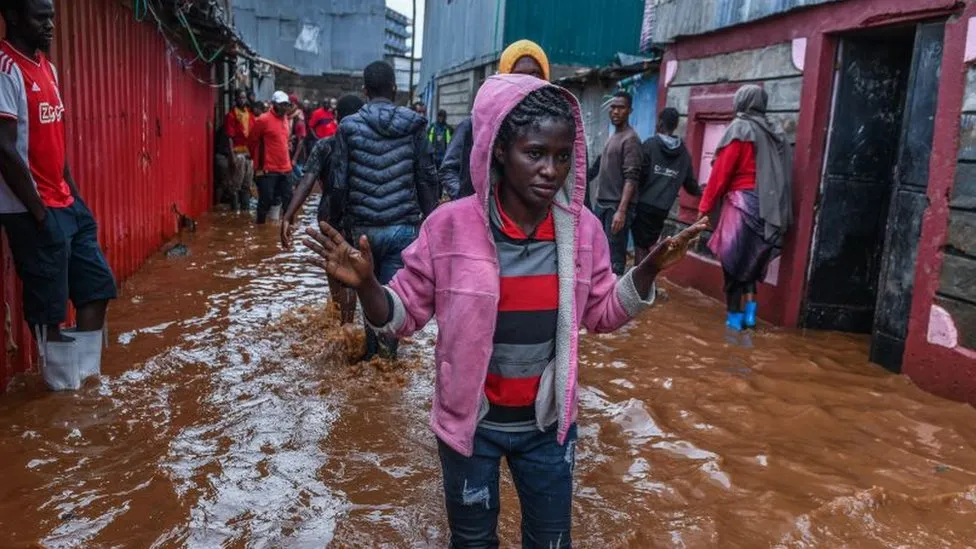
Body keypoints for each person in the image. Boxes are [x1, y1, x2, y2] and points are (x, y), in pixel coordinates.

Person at [304, 74, 707, 546]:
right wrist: (371, 284)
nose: (550, 171)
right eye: (534, 153)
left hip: (548, 428)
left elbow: (600, 313)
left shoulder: (583, 232)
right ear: (498, 149)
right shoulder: (448, 228)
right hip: (469, 429)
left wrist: (647, 272)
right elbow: (402, 316)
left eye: (561, 157)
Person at [0, 0, 117, 391]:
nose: (50, 25)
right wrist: (38, 211)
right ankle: (61, 395)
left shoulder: (47, 67)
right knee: (48, 310)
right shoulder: (5, 68)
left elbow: (55, 141)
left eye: (52, 17)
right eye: (41, 17)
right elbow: (3, 148)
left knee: (97, 288)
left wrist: (77, 199)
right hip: (31, 209)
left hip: (67, 203)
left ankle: (85, 384)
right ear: (13, 16)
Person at [329, 60, 439, 360]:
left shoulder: (348, 127)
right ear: (395, 89)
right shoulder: (415, 124)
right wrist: (433, 224)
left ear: (365, 91)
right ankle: (386, 362)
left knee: (368, 290)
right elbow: (427, 177)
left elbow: (338, 183)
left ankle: (369, 359)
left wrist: (335, 225)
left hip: (361, 229)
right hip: (403, 228)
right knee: (393, 296)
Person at [698, 85, 793, 331]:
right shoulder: (774, 133)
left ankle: (734, 322)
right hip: (768, 208)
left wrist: (705, 206)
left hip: (741, 206)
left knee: (732, 264)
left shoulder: (740, 129)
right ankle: (751, 316)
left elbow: (721, 174)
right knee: (751, 263)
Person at [281, 94, 364, 324]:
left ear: (336, 117)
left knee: (334, 267)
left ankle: (341, 322)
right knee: (354, 271)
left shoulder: (325, 145)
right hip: (360, 217)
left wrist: (289, 215)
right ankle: (348, 326)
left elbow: (307, 182)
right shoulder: (369, 147)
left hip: (329, 217)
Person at [440, 39, 550, 200]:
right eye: (518, 75)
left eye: (535, 75)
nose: (528, 82)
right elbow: (448, 169)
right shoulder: (476, 125)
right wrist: (467, 202)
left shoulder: (560, 128)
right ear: (505, 78)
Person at [634, 107, 699, 265]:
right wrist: (704, 191)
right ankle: (646, 283)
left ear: (660, 123)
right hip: (662, 209)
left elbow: (639, 175)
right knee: (648, 246)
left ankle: (640, 285)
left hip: (644, 205)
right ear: (675, 125)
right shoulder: (683, 153)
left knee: (640, 247)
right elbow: (690, 185)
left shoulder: (650, 144)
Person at [590, 90, 642, 275]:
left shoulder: (631, 140)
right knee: (598, 252)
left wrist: (621, 211)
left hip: (616, 207)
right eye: (613, 107)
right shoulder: (613, 136)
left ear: (630, 110)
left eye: (621, 108)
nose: (615, 111)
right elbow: (595, 169)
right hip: (602, 204)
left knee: (614, 258)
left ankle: (613, 298)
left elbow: (631, 178)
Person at [249, 91, 294, 224]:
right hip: (268, 168)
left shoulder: (286, 119)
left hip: (286, 167)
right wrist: (257, 164)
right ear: (274, 105)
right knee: (265, 200)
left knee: (289, 200)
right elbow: (252, 141)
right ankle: (261, 229)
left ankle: (289, 229)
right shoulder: (263, 120)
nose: (286, 107)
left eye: (287, 105)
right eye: (283, 104)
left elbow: (284, 140)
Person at [221, 89, 256, 211]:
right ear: (235, 99)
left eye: (244, 97)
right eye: (240, 98)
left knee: (247, 185)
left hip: (249, 155)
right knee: (235, 185)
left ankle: (245, 213)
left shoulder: (250, 115)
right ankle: (234, 212)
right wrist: (231, 157)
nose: (242, 100)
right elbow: (229, 138)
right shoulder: (231, 116)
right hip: (238, 154)